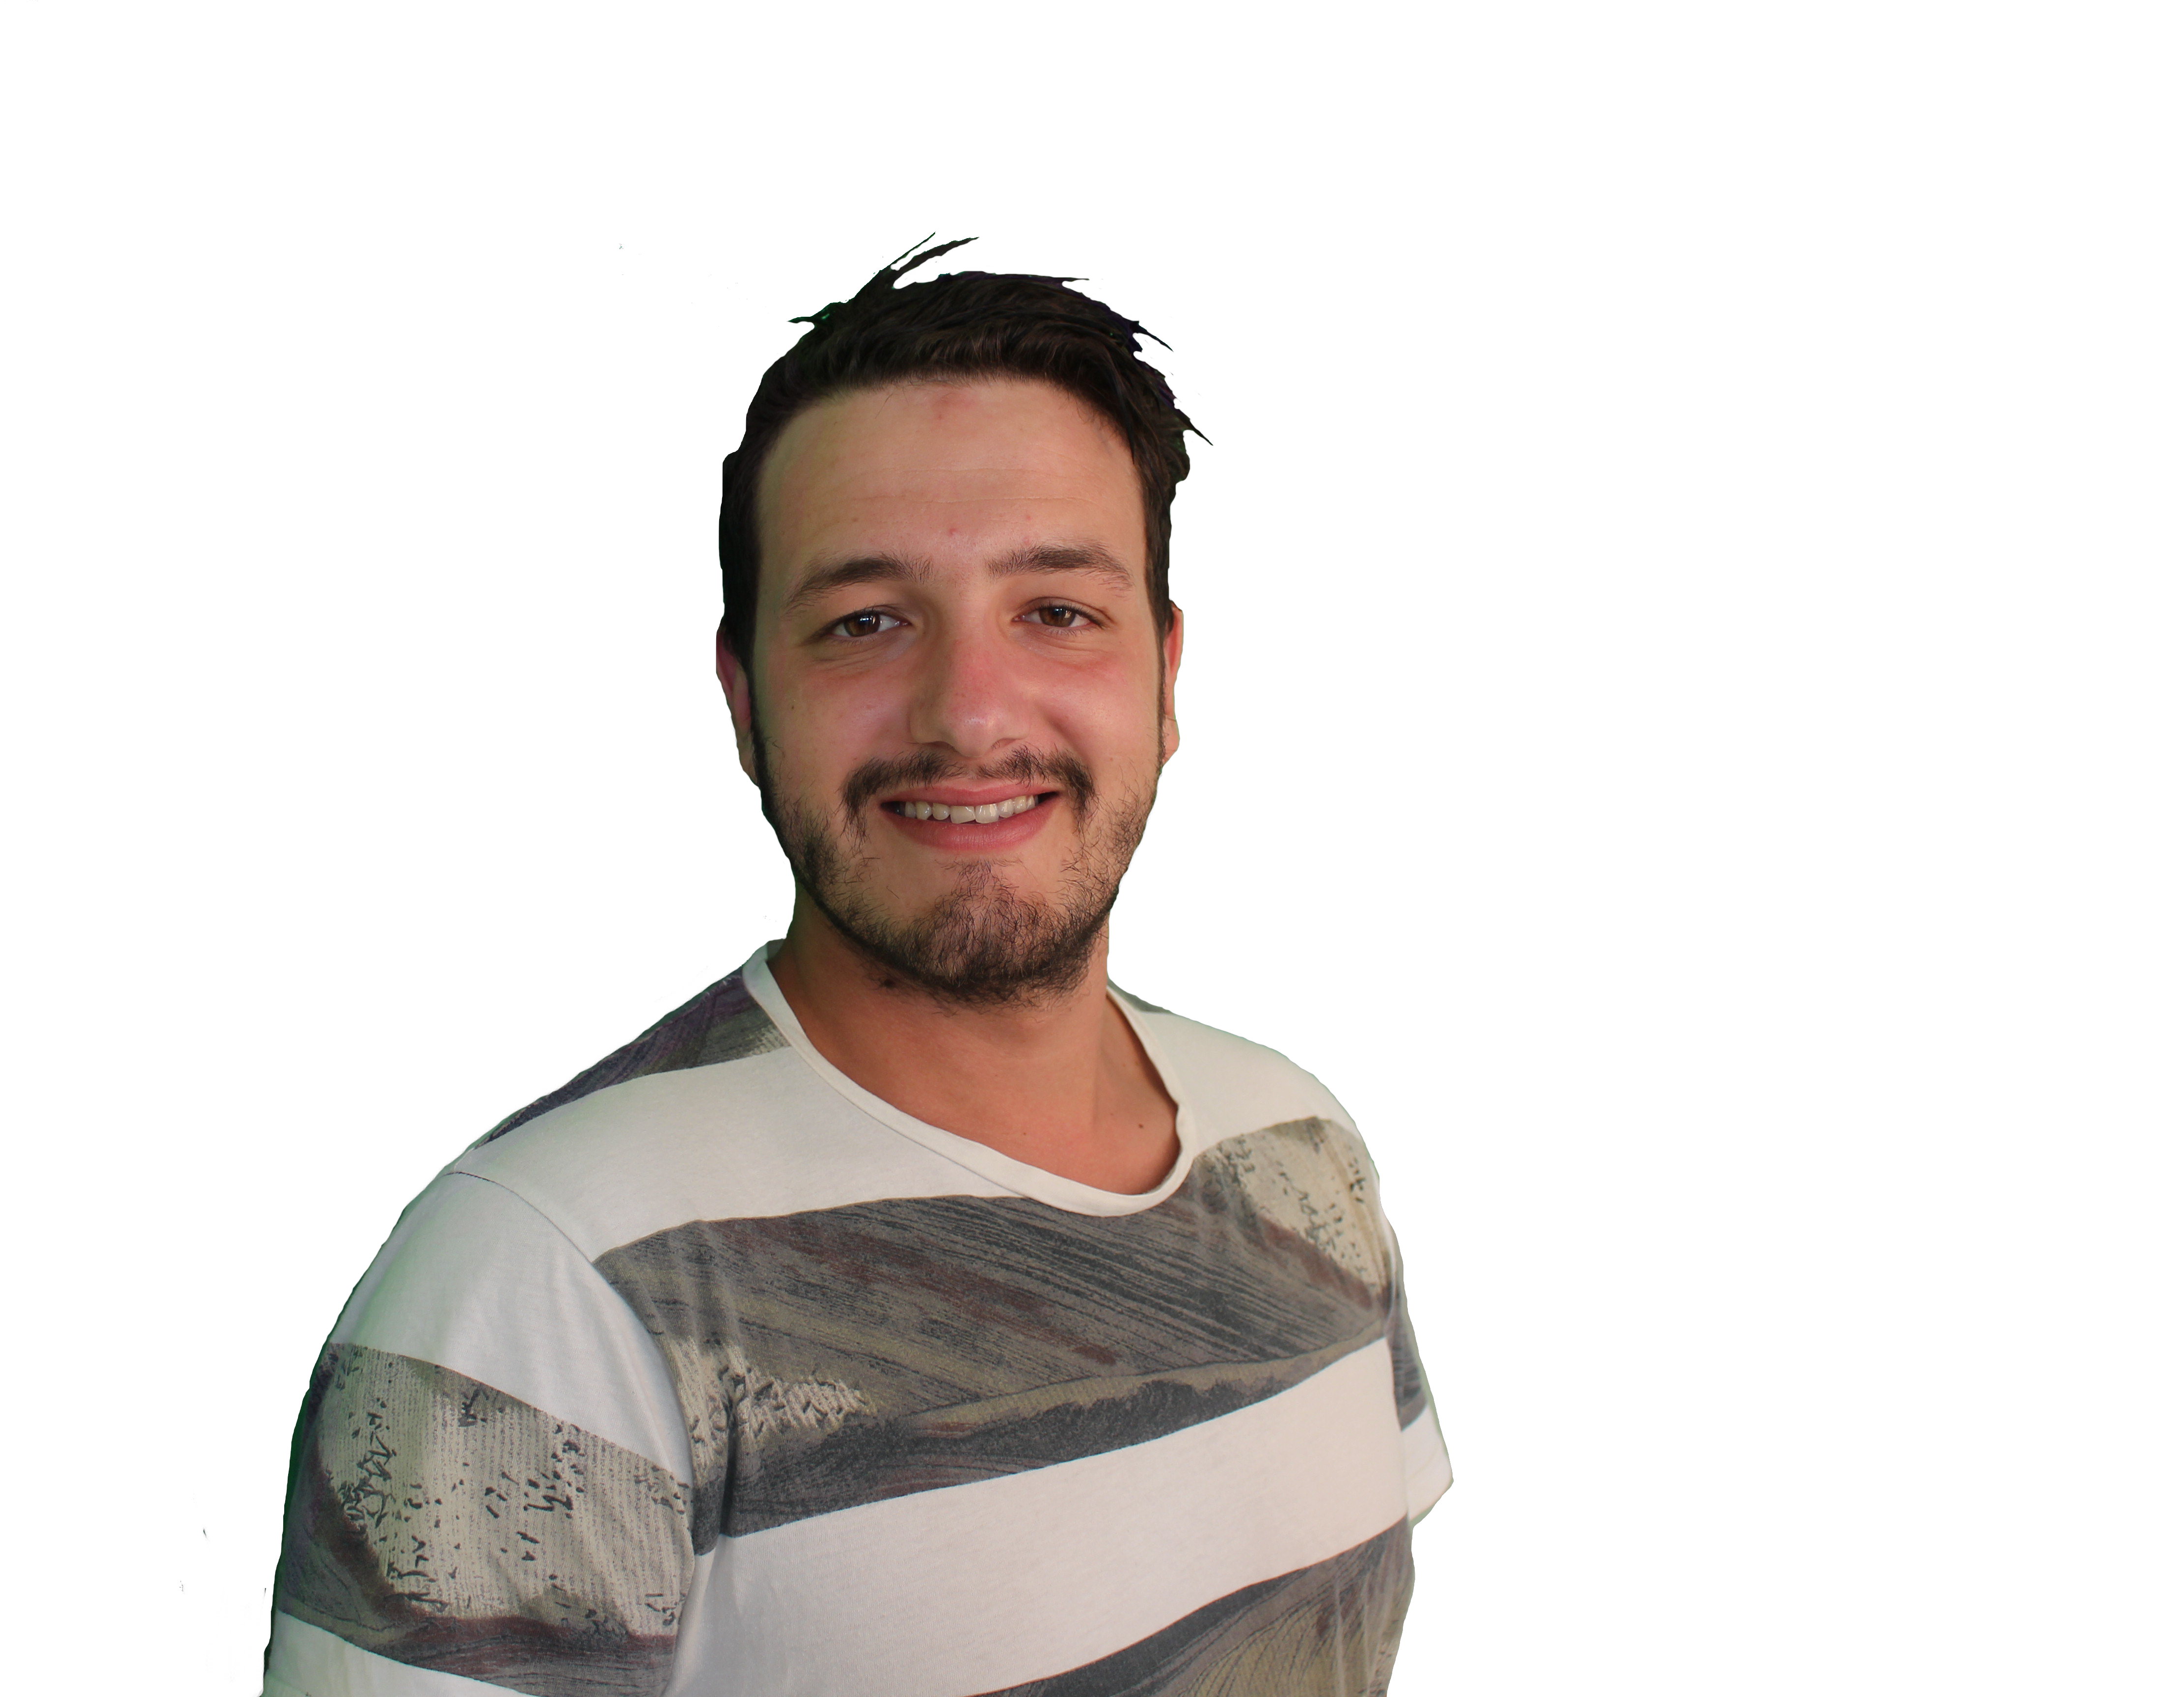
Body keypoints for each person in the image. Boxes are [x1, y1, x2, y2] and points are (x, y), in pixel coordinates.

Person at [260, 236, 1450, 1697]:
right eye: (865, 621)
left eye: (1058, 611)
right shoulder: (541, 1285)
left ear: (1165, 679)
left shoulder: (1303, 1143)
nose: (970, 713)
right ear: (743, 704)